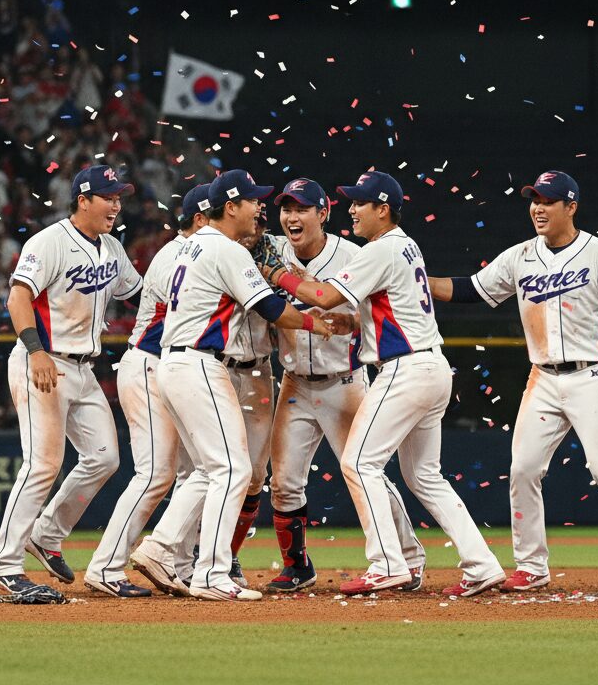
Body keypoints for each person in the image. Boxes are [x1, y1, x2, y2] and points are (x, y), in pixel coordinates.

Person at [259, 170, 504, 597]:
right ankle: (482, 564)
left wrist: (276, 274)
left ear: (383, 209)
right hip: (431, 367)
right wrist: (350, 322)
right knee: (426, 477)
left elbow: (321, 297)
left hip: (404, 370)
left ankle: (387, 563)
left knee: (358, 463)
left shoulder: (380, 250)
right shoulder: (406, 245)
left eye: (360, 203)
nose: (352, 210)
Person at [428, 170, 598, 592]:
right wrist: (414, 282)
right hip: (542, 378)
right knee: (522, 468)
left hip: (594, 375)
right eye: (534, 200)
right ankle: (532, 567)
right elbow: (471, 289)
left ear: (570, 207)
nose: (538, 208)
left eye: (548, 201)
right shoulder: (520, 256)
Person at [151, 169, 333, 602]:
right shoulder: (227, 249)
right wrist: (315, 323)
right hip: (201, 363)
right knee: (233, 469)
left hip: (176, 361)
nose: (259, 208)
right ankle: (211, 574)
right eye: (252, 201)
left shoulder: (190, 244)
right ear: (229, 207)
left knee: (210, 471)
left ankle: (160, 547)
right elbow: (273, 308)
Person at [0, 165, 142, 601]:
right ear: (83, 200)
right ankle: (5, 564)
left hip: (84, 368)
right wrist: (35, 351)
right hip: (44, 360)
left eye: (119, 197)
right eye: (108, 196)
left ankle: (47, 533)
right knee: (42, 464)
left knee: (105, 457)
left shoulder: (112, 247)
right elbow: (17, 296)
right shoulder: (49, 242)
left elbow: (141, 292)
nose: (116, 204)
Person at [265, 178, 424, 592]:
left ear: (323, 213)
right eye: (285, 209)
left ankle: (408, 557)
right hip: (295, 382)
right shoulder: (274, 249)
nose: (291, 217)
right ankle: (297, 566)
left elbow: (366, 316)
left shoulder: (354, 255)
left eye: (301, 209)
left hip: (345, 381)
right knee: (283, 483)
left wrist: (349, 322)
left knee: (366, 472)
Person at [85, 184, 210, 597]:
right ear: (200, 219)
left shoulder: (187, 251)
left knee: (199, 470)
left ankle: (180, 562)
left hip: (168, 367)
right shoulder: (185, 254)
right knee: (156, 472)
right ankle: (106, 566)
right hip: (151, 365)